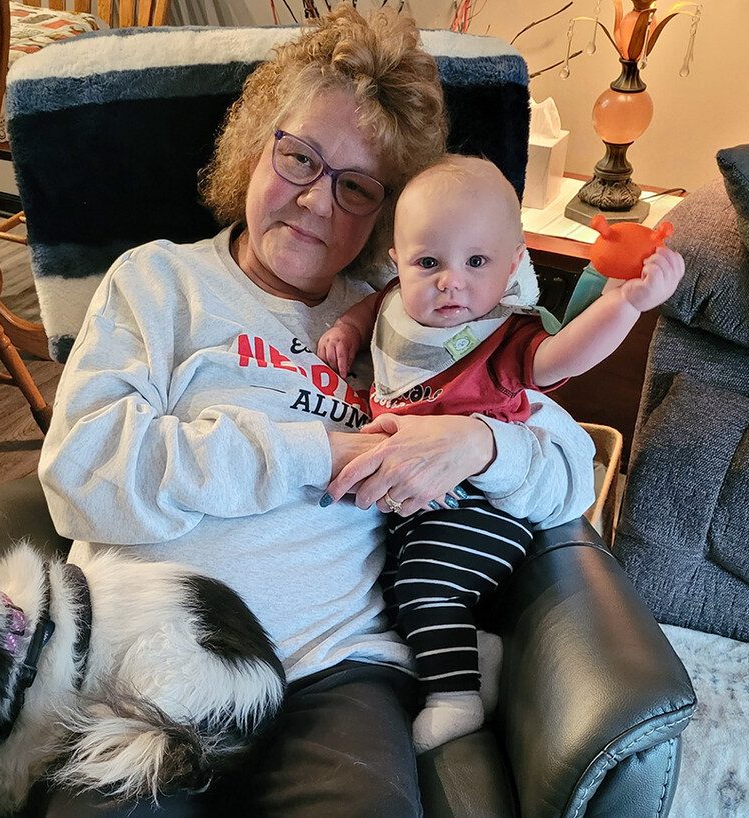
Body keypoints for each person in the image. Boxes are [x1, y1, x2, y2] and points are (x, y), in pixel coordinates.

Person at [38, 6, 596, 816]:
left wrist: (476, 441)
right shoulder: (157, 283)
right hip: (146, 664)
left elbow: (573, 473)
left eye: (357, 187)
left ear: (390, 220)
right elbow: (82, 476)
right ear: (256, 141)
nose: (314, 202)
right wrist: (313, 453)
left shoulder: (416, 321)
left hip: (337, 673)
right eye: (299, 156)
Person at [316, 153, 685, 752]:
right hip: (420, 506)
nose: (450, 282)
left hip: (484, 507)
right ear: (398, 263)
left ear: (514, 264)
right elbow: (374, 310)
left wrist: (626, 304)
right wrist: (349, 332)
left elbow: (565, 356)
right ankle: (475, 647)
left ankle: (456, 697)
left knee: (421, 587)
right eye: (428, 262)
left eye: (477, 262)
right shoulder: (395, 301)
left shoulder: (505, 338)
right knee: (396, 582)